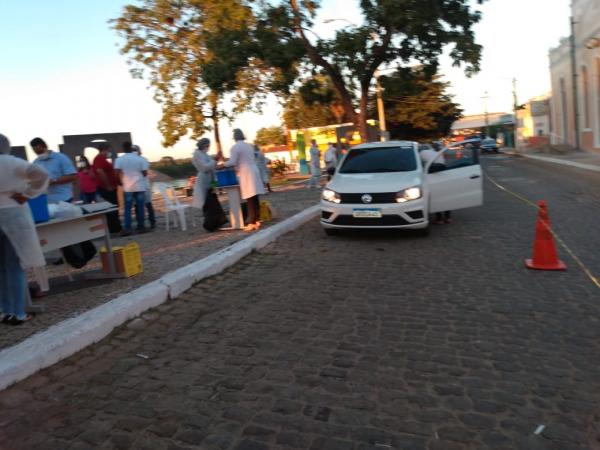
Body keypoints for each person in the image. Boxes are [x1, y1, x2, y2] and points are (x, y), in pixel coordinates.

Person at [0, 134, 49, 325]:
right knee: (14, 266)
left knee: (0, 268)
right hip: (13, 212)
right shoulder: (12, 162)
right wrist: (28, 194)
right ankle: (18, 312)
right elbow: (41, 174)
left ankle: (4, 311)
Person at [220, 129, 265, 231]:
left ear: (235, 137)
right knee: (255, 197)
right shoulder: (249, 146)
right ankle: (257, 219)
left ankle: (252, 222)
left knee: (249, 197)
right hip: (254, 169)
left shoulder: (235, 147)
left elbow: (232, 162)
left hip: (246, 172)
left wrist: (223, 164)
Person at [114, 142, 150, 236]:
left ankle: (127, 228)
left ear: (123, 148)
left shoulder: (120, 159)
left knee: (127, 208)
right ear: (131, 148)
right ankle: (141, 227)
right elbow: (145, 173)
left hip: (128, 187)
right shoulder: (139, 159)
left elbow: (116, 173)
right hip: (139, 186)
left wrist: (119, 182)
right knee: (140, 207)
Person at [30, 137, 76, 203]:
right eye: (37, 153)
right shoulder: (36, 162)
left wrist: (53, 181)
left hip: (64, 199)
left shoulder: (61, 158)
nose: (39, 154)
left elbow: (73, 176)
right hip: (47, 201)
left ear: (45, 147)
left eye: (41, 152)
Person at [92, 143, 122, 233]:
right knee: (111, 208)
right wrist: (108, 185)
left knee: (113, 207)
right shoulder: (99, 159)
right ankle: (114, 228)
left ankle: (115, 227)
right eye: (108, 150)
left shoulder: (103, 159)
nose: (109, 152)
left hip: (110, 187)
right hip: (106, 188)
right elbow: (100, 172)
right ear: (104, 149)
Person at [420, 142, 451, 224]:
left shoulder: (421, 153)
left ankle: (439, 219)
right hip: (443, 172)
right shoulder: (435, 153)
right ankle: (448, 218)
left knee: (436, 197)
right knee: (446, 196)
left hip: (434, 173)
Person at [132, 145, 156, 229]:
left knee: (139, 206)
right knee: (147, 205)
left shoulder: (139, 160)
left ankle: (142, 224)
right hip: (143, 185)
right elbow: (145, 172)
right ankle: (152, 222)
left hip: (137, 186)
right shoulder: (143, 160)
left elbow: (144, 173)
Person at [191, 138, 217, 210]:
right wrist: (214, 160)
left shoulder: (205, 154)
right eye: (208, 145)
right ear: (204, 145)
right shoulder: (197, 154)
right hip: (203, 181)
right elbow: (204, 168)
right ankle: (208, 220)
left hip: (210, 180)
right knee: (206, 203)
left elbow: (212, 167)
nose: (208, 147)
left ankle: (214, 220)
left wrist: (214, 185)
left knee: (212, 202)